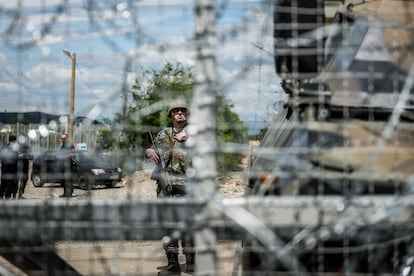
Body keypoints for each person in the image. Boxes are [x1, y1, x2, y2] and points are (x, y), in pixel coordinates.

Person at [146, 99, 194, 274]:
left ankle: (192, 262)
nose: (179, 113)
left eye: (183, 110)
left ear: (187, 115)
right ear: (171, 115)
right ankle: (173, 264)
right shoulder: (162, 134)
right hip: (165, 189)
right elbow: (153, 150)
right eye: (176, 111)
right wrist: (148, 151)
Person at [0, 135, 20, 199]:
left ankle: (1, 194)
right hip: (12, 168)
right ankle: (9, 195)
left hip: (4, 168)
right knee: (11, 182)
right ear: (15, 141)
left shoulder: (4, 147)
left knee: (4, 182)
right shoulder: (15, 148)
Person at [58, 133, 75, 198]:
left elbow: (73, 154)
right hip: (63, 166)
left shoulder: (70, 145)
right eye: (61, 138)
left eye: (64, 138)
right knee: (64, 180)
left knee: (68, 180)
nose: (62, 139)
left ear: (66, 138)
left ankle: (69, 194)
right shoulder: (61, 146)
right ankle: (65, 193)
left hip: (69, 165)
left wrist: (64, 157)